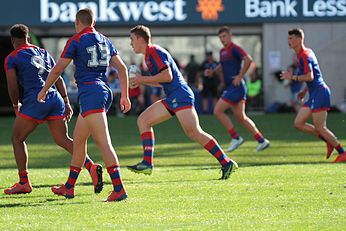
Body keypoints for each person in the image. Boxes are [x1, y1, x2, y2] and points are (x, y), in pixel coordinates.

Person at [37, 8, 131, 201]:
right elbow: (121, 68)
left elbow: (57, 70)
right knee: (79, 141)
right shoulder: (105, 40)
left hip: (91, 93)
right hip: (102, 92)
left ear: (77, 22)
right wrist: (125, 96)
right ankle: (69, 188)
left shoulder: (76, 40)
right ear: (93, 22)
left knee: (104, 143)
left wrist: (44, 89)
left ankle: (119, 189)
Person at [127, 25, 238, 180]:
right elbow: (162, 82)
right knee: (143, 120)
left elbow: (168, 76)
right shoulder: (148, 56)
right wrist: (142, 82)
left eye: (132, 39)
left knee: (194, 132)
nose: (130, 43)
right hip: (173, 96)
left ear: (140, 39)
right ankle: (147, 163)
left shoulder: (154, 52)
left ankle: (226, 162)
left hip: (180, 95)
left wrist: (142, 79)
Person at [3, 24, 103, 195]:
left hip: (36, 99)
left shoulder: (12, 58)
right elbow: (57, 75)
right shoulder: (43, 53)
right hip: (55, 98)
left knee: (17, 139)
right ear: (28, 38)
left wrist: (15, 104)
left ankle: (24, 182)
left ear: (13, 41)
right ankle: (91, 166)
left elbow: (12, 86)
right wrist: (66, 100)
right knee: (63, 139)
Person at [280, 28, 346, 163]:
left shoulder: (304, 55)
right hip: (314, 93)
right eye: (288, 38)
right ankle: (327, 140)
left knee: (321, 127)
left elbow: (309, 76)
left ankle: (342, 152)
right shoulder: (306, 52)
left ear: (299, 40)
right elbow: (313, 76)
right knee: (298, 123)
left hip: (320, 93)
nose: (289, 41)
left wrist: (291, 77)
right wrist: (305, 90)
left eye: (291, 38)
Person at [213, 26, 270, 152]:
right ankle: (262, 140)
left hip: (236, 87)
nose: (222, 39)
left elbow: (248, 59)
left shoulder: (234, 48)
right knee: (241, 117)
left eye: (224, 36)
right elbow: (222, 66)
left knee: (217, 111)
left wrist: (240, 76)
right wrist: (212, 72)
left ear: (230, 36)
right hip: (231, 87)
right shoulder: (222, 51)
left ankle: (235, 138)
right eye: (220, 37)